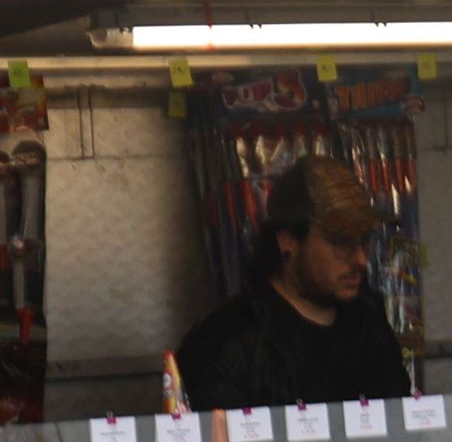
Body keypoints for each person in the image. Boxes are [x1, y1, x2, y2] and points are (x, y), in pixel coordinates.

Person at [172, 154, 412, 414]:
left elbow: (403, 427)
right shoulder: (222, 341)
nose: (361, 259)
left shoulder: (372, 329)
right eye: (342, 242)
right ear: (288, 241)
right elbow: (214, 437)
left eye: (364, 241)